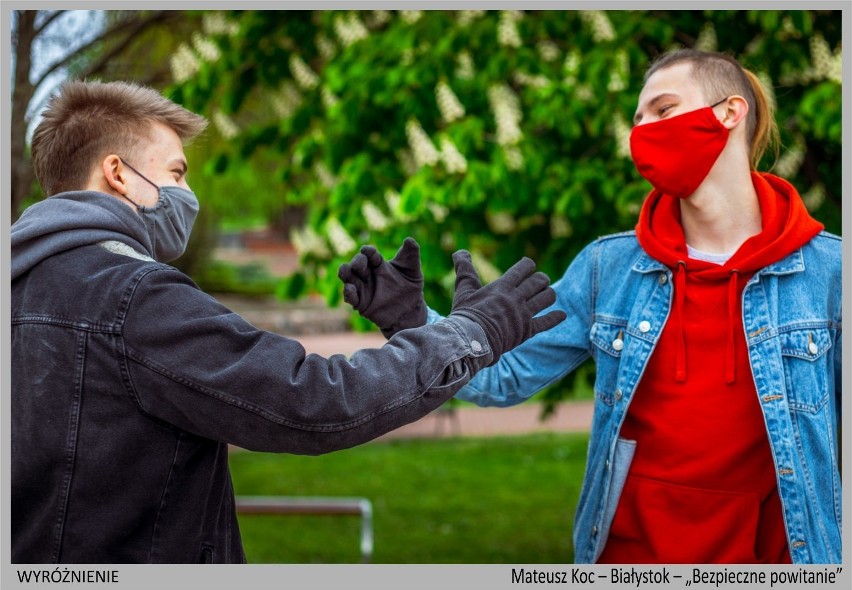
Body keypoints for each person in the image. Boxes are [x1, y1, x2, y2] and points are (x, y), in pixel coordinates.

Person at [10, 80, 567, 564]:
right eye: (176, 172)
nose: (187, 194)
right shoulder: (133, 296)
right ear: (118, 174)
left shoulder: (19, 284)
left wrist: (412, 322)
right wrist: (470, 331)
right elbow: (314, 402)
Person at [338, 49, 842, 564]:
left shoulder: (831, 273)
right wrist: (417, 322)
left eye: (663, 110)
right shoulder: (609, 267)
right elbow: (503, 374)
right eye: (637, 118)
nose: (642, 130)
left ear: (728, 113)